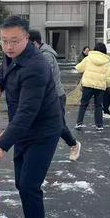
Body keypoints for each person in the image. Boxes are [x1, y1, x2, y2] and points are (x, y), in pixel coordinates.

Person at [0, 16, 62, 218]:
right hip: (23, 131)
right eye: (4, 41)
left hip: (42, 131)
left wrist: (2, 144)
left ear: (26, 39)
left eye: (14, 41)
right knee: (22, 183)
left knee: (30, 185)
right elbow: (3, 69)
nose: (8, 47)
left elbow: (27, 112)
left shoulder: (36, 67)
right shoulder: (11, 56)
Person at [28, 29, 81, 161]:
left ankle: (74, 144)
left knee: (58, 125)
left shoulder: (46, 56)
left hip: (55, 96)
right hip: (43, 96)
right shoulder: (35, 54)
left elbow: (45, 78)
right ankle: (39, 152)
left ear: (34, 43)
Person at [74, 42, 110, 130]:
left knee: (83, 104)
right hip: (100, 86)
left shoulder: (88, 58)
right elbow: (108, 77)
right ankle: (99, 125)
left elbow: (79, 68)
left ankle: (79, 123)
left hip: (88, 84)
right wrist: (108, 86)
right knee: (98, 105)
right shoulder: (107, 62)